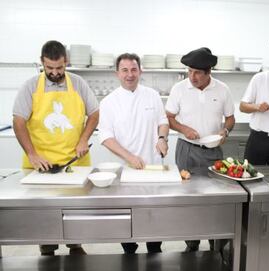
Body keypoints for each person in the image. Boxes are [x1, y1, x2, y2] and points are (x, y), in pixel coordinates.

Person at [12, 40, 99, 256]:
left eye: (59, 68)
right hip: (40, 163)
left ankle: (75, 244)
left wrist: (83, 139)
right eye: (49, 68)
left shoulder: (78, 83)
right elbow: (19, 121)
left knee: (75, 212)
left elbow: (95, 113)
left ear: (66, 62)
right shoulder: (30, 86)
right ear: (42, 62)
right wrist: (31, 154)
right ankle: (47, 247)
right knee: (44, 215)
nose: (54, 72)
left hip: (74, 161)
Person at [165, 47, 235, 252]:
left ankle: (216, 244)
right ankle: (191, 243)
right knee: (188, 198)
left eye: (197, 72)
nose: (192, 77)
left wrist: (225, 131)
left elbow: (230, 118)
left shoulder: (222, 89)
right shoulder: (179, 89)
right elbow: (168, 118)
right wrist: (183, 128)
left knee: (215, 199)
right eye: (189, 71)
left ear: (208, 72)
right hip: (186, 149)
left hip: (213, 151)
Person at [98, 53, 168, 254]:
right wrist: (129, 157)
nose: (130, 74)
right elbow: (106, 137)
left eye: (134, 69)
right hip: (124, 170)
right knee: (126, 217)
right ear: (117, 73)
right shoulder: (109, 102)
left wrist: (162, 139)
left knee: (152, 214)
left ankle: (155, 250)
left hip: (152, 168)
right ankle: (129, 252)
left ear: (140, 71)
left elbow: (163, 122)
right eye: (125, 70)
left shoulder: (152, 95)